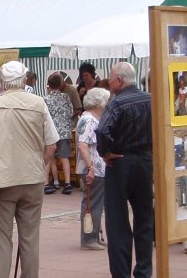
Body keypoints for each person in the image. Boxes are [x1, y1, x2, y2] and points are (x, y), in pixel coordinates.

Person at [0, 61, 59, 278]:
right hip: (31, 178)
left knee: (0, 239)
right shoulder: (39, 104)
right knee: (30, 239)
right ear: (25, 79)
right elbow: (52, 143)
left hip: (2, 180)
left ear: (2, 81)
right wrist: (41, 165)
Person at [98, 62, 154, 277]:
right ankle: (143, 271)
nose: (109, 82)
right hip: (145, 161)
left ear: (119, 81)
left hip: (120, 162)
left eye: (110, 79)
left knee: (118, 222)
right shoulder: (150, 99)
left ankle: (121, 273)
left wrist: (106, 152)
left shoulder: (116, 103)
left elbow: (103, 130)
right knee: (144, 219)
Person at [76, 87, 109, 251]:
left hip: (97, 167)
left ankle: (93, 235)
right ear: (100, 103)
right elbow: (83, 145)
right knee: (92, 203)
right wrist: (90, 167)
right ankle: (89, 238)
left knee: (95, 203)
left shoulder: (90, 118)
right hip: (93, 168)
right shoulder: (89, 119)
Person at [43, 73, 75, 195]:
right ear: (61, 84)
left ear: (48, 85)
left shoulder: (45, 99)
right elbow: (71, 112)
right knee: (64, 157)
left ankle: (46, 184)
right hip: (64, 131)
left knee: (49, 157)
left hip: (50, 132)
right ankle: (67, 183)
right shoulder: (66, 97)